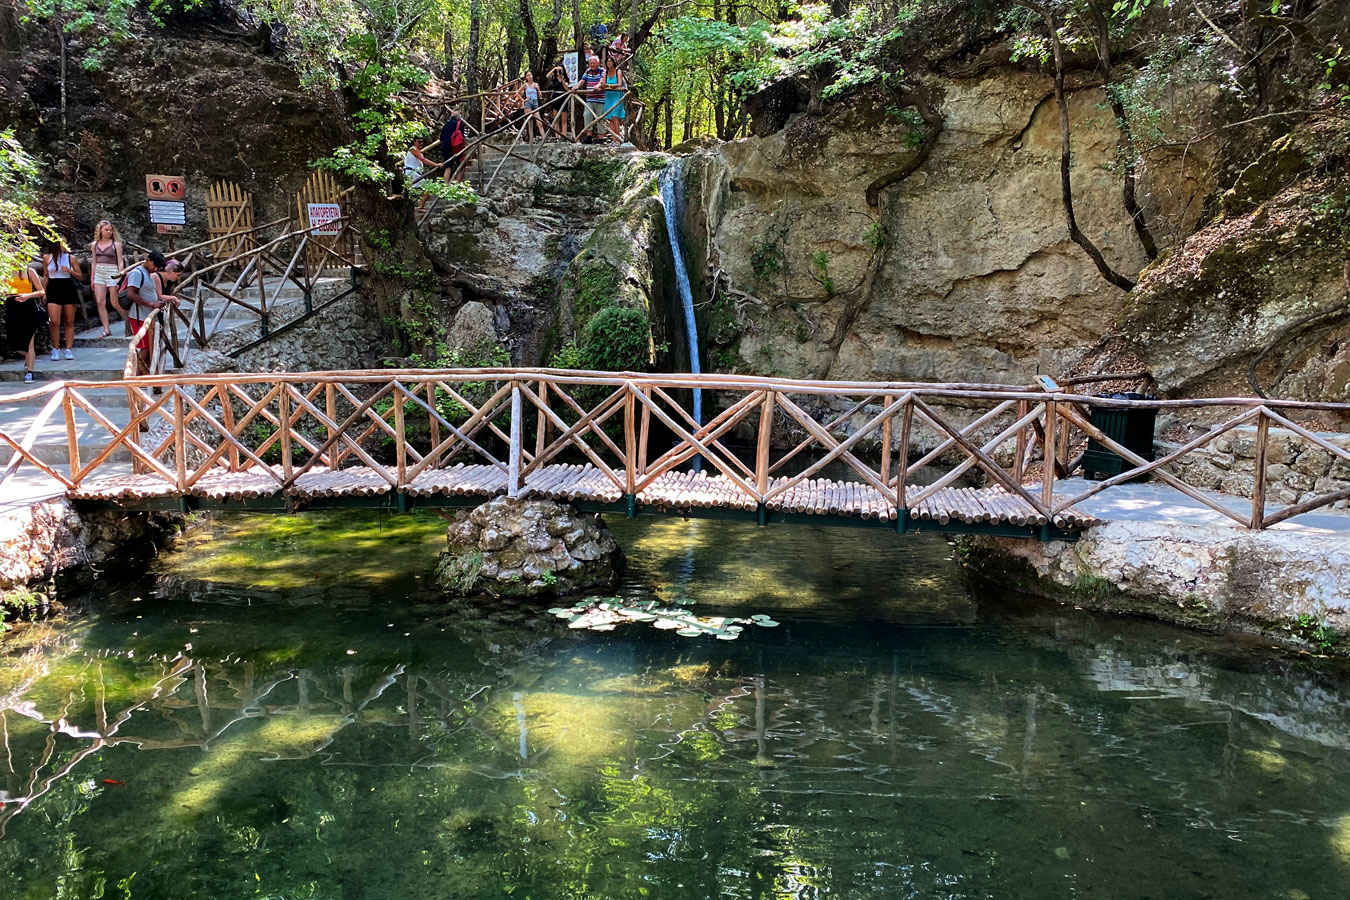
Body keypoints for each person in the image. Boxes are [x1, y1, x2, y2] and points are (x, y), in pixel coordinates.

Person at [125, 251, 173, 375]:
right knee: (145, 347)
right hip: (138, 315)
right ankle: (135, 377)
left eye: (158, 268)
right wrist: (151, 304)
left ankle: (143, 376)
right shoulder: (137, 273)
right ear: (148, 260)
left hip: (148, 315)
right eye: (155, 266)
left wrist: (157, 302)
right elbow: (131, 294)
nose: (156, 269)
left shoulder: (149, 274)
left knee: (150, 346)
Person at [41, 236, 82, 361]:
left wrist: (69, 270)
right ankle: (56, 348)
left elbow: (80, 276)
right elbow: (46, 276)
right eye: (62, 243)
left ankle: (68, 349)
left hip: (67, 286)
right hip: (53, 287)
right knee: (54, 321)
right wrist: (44, 292)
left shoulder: (71, 258)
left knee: (69, 321)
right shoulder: (47, 258)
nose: (64, 245)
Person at [5, 260, 45, 383]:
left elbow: (41, 291)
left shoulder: (29, 271)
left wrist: (27, 295)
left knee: (29, 341)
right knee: (12, 340)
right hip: (12, 306)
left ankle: (30, 372)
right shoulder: (5, 272)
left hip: (28, 307)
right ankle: (29, 357)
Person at [88, 220, 126, 337]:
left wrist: (120, 275)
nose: (108, 232)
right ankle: (106, 329)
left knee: (114, 301)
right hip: (99, 271)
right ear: (100, 230)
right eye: (106, 230)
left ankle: (128, 321)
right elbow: (94, 262)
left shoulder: (116, 245)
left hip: (112, 271)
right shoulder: (94, 244)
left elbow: (120, 261)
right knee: (100, 301)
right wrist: (92, 278)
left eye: (110, 230)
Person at [577, 55, 606, 137]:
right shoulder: (588, 71)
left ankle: (601, 137)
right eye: (590, 63)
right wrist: (576, 87)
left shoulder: (602, 71)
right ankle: (589, 136)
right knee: (587, 115)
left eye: (594, 63)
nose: (592, 65)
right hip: (590, 99)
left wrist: (597, 86)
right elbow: (582, 80)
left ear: (598, 63)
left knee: (600, 118)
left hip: (600, 99)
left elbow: (602, 81)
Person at [404, 136, 434, 209]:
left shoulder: (415, 150)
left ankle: (415, 207)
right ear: (414, 142)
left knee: (413, 191)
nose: (421, 143)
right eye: (419, 142)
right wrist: (437, 164)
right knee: (429, 187)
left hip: (412, 173)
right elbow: (423, 159)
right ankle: (420, 207)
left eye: (422, 142)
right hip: (412, 173)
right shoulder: (414, 149)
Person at [602, 56, 627, 143]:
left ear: (613, 62)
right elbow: (603, 83)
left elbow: (619, 84)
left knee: (615, 116)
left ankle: (618, 138)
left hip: (617, 96)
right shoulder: (605, 73)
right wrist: (604, 85)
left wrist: (608, 86)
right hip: (609, 96)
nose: (609, 63)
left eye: (610, 61)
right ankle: (614, 139)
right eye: (607, 61)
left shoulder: (618, 71)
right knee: (610, 118)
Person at [441, 110, 469, 183]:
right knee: (462, 165)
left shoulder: (446, 125)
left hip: (446, 147)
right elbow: (461, 137)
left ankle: (446, 186)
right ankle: (456, 183)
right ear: (459, 118)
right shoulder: (459, 124)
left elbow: (441, 138)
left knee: (448, 167)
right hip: (456, 147)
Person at [518, 71, 546, 142]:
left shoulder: (536, 84)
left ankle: (544, 139)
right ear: (526, 77)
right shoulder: (525, 85)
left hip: (535, 102)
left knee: (539, 122)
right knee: (529, 121)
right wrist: (523, 100)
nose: (530, 76)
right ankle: (530, 139)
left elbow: (540, 96)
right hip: (528, 103)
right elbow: (517, 93)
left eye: (530, 74)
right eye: (528, 75)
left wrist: (538, 89)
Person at [546, 62, 571, 136]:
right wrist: (554, 68)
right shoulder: (554, 78)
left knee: (564, 119)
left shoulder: (565, 78)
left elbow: (567, 89)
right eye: (558, 70)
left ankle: (564, 135)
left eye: (560, 69)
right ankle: (557, 136)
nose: (559, 71)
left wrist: (562, 79)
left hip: (563, 97)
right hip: (555, 97)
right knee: (556, 119)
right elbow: (547, 76)